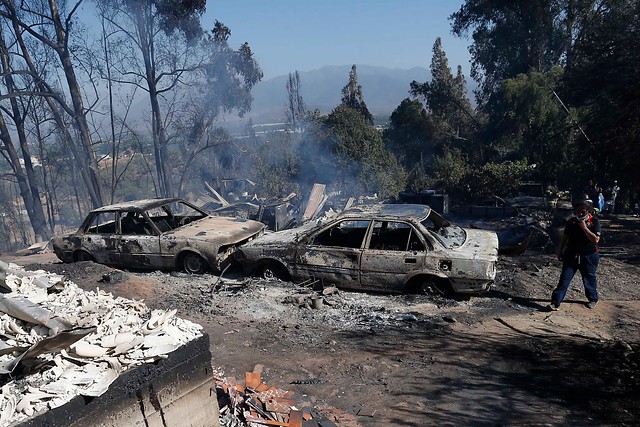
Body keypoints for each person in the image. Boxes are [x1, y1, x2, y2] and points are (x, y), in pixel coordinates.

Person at [549, 199, 601, 311]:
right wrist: (560, 250)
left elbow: (595, 239)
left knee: (589, 277)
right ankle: (555, 302)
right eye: (578, 211)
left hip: (588, 255)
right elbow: (565, 237)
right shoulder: (572, 222)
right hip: (571, 254)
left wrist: (584, 227)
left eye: (583, 211)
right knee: (564, 278)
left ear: (588, 211)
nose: (580, 214)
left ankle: (593, 299)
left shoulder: (594, 222)